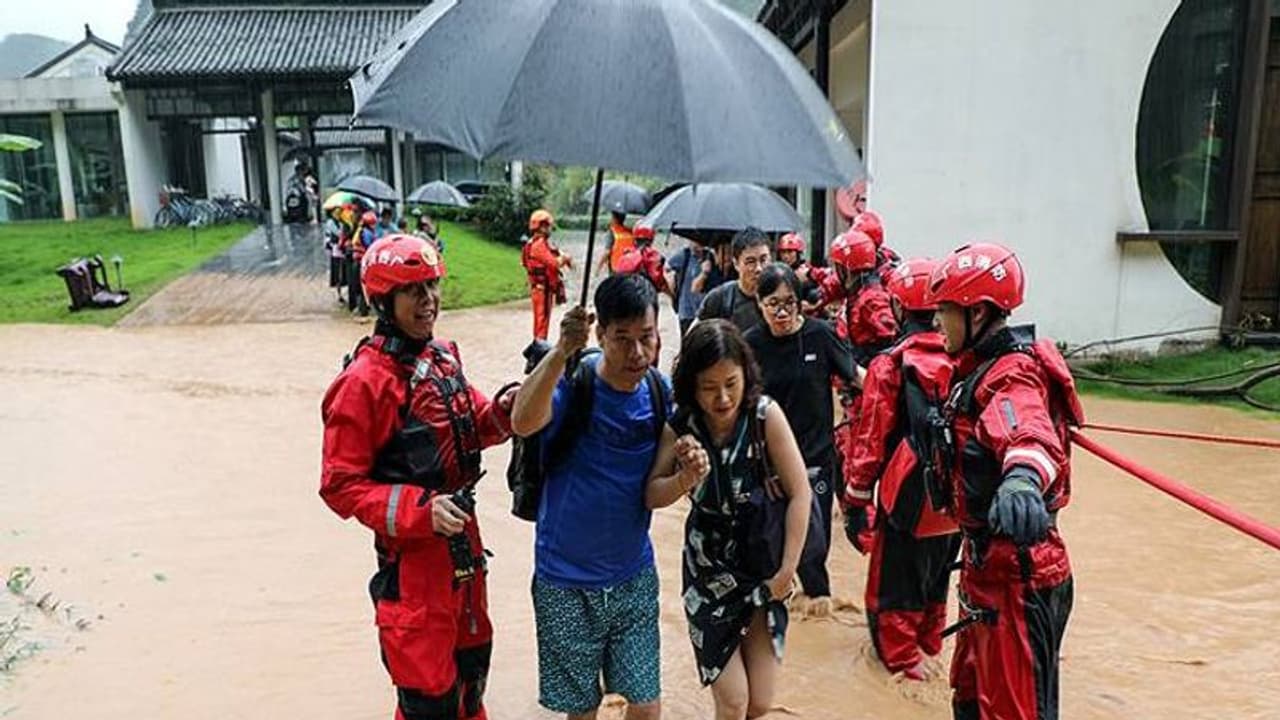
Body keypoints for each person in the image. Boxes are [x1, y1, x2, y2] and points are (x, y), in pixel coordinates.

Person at [319, 234, 519, 720]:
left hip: (465, 551)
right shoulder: (363, 383)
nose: (428, 300)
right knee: (429, 702)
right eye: (413, 291)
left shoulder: (443, 359)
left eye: (432, 286)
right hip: (412, 570)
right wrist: (420, 512)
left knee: (472, 680)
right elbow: (339, 485)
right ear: (384, 301)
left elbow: (477, 424)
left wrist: (507, 408)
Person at [927, 243, 1083, 720]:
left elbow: (1027, 431)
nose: (936, 322)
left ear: (976, 313)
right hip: (987, 573)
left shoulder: (1011, 375)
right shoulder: (975, 372)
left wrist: (1022, 479)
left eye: (943, 311)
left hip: (1018, 579)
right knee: (970, 700)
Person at [510, 274, 669, 720]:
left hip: (634, 576)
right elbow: (522, 422)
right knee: (581, 711)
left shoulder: (660, 393)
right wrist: (562, 350)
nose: (637, 353)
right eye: (622, 339)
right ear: (600, 334)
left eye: (647, 337)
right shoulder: (571, 384)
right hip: (564, 580)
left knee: (647, 707)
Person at [647, 320, 812, 720]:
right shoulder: (681, 427)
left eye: (731, 383)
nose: (722, 398)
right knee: (734, 700)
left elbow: (801, 493)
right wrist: (685, 478)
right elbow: (651, 494)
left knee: (760, 702)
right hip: (708, 574)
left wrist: (787, 571)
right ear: (692, 385)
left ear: (745, 375)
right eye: (709, 387)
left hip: (764, 566)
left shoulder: (764, 416)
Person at [840, 257, 961, 681]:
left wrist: (855, 500)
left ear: (898, 306)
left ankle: (901, 662)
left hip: (906, 494)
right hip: (955, 499)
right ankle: (928, 647)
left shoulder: (890, 365)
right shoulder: (965, 358)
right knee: (937, 574)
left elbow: (870, 442)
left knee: (893, 582)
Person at [744, 263, 858, 611]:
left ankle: (818, 602)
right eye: (773, 304)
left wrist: (894, 393)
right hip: (770, 464)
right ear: (759, 304)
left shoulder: (820, 336)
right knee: (770, 537)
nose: (782, 313)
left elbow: (856, 376)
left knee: (814, 543)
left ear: (799, 302)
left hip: (816, 460)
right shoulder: (750, 344)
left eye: (789, 303)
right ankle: (779, 603)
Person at [816, 230, 898, 366]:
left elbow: (890, 340)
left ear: (846, 269)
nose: (835, 273)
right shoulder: (857, 293)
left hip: (869, 371)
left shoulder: (872, 299)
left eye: (837, 267)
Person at [695, 227, 771, 335]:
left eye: (763, 260)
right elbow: (694, 337)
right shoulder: (720, 298)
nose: (759, 268)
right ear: (736, 263)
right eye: (750, 262)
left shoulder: (779, 295)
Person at [615, 225, 672, 367]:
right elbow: (660, 282)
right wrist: (672, 295)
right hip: (648, 303)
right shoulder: (654, 257)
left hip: (626, 303)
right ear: (651, 239)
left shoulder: (626, 256)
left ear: (635, 239)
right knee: (649, 335)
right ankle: (650, 368)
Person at [521, 209, 573, 341]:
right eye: (548, 226)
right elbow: (554, 264)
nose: (550, 229)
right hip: (542, 290)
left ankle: (539, 346)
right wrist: (565, 258)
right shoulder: (538, 245)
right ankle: (540, 348)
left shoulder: (534, 243)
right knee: (541, 324)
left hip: (541, 289)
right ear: (542, 227)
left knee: (541, 322)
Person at [664, 235, 707, 337]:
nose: (697, 244)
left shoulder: (709, 257)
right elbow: (666, 269)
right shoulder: (684, 255)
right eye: (694, 240)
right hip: (686, 310)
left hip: (703, 309)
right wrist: (671, 289)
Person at [349, 210, 379, 317]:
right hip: (362, 263)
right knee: (363, 287)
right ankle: (364, 311)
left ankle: (361, 309)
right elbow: (370, 247)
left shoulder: (360, 231)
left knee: (359, 287)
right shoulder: (367, 233)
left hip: (358, 262)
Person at [598, 210, 636, 277]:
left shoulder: (612, 232)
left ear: (614, 219)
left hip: (616, 268)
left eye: (612, 217)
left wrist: (598, 268)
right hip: (629, 267)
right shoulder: (630, 231)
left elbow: (607, 252)